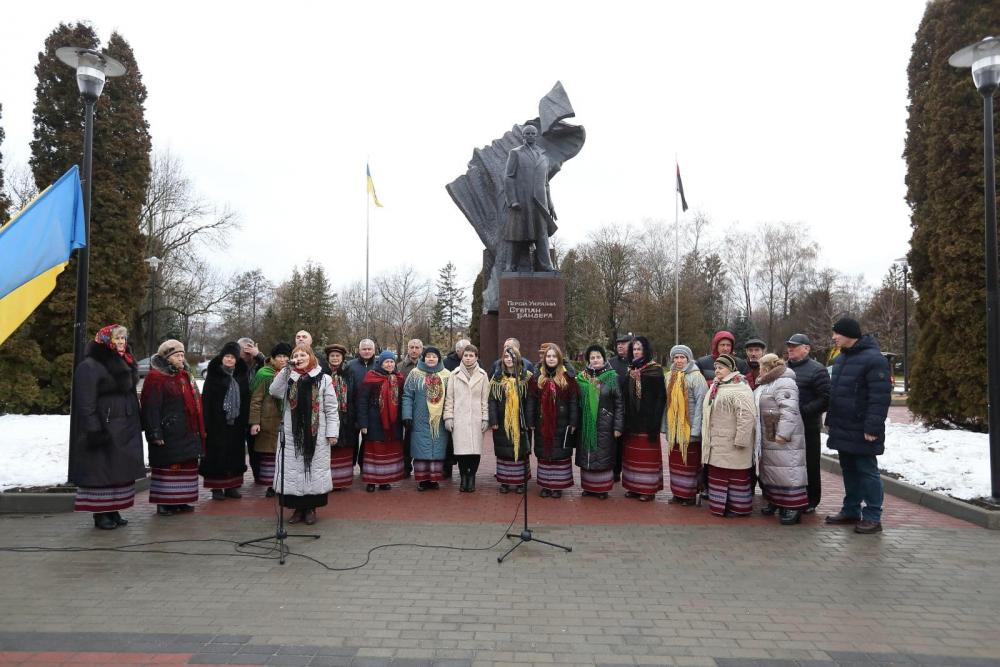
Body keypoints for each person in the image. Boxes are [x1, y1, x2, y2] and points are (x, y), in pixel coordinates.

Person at [69, 325, 145, 530]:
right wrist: (94, 430)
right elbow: (85, 403)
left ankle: (113, 509)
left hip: (124, 426)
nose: (121, 342)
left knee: (117, 471)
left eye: (123, 338)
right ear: (105, 340)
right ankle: (100, 513)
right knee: (101, 471)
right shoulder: (91, 366)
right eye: (117, 338)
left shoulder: (125, 361)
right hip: (105, 426)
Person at [824, 317, 891, 534]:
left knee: (867, 471)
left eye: (837, 333)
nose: (833, 337)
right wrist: (831, 422)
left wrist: (872, 428)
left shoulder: (874, 360)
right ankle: (851, 510)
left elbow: (879, 398)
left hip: (863, 429)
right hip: (843, 427)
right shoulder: (842, 359)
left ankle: (873, 516)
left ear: (849, 334)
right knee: (849, 470)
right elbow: (837, 394)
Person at [269, 344, 337, 525]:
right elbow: (274, 391)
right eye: (296, 355)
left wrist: (332, 432)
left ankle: (310, 510)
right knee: (293, 473)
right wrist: (286, 371)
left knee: (313, 472)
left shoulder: (324, 379)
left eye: (303, 355)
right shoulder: (288, 377)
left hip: (317, 435)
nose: (299, 357)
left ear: (311, 357)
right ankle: (297, 510)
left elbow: (331, 409)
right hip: (292, 435)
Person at [140, 339, 204, 516]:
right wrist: (154, 432)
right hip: (168, 431)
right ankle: (164, 503)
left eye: (182, 355)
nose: (181, 358)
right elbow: (150, 406)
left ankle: (181, 501)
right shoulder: (156, 378)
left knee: (186, 466)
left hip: (187, 430)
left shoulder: (184, 376)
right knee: (169, 466)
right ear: (167, 358)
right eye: (177, 355)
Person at [753, 353, 809, 525]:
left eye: (760, 368)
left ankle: (793, 506)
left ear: (767, 368)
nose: (758, 372)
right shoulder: (768, 383)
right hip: (769, 432)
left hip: (783, 435)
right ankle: (775, 500)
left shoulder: (784, 382)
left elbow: (789, 409)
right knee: (773, 468)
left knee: (788, 468)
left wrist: (783, 433)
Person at [700, 354, 757, 517]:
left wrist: (741, 440)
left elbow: (746, 415)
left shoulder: (740, 387)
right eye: (716, 367)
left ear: (731, 369)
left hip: (733, 443)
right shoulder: (716, 386)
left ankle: (738, 508)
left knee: (734, 477)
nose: (717, 370)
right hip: (717, 442)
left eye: (721, 367)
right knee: (719, 475)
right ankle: (720, 506)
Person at [785, 333, 830, 512]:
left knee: (809, 463)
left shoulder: (817, 370)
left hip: (808, 426)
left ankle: (811, 499)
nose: (790, 349)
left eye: (794, 346)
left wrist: (803, 411)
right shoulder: (783, 369)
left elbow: (826, 398)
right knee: (789, 464)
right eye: (789, 346)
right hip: (786, 426)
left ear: (806, 348)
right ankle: (789, 497)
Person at [200, 341, 250, 500]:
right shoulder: (213, 375)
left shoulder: (241, 375)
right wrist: (206, 424)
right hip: (217, 423)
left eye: (232, 357)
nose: (229, 360)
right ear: (222, 357)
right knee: (217, 454)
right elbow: (206, 400)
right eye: (227, 356)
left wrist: (246, 420)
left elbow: (246, 398)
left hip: (236, 423)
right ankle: (216, 488)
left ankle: (232, 486)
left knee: (234, 454)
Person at [503, 123, 556, 271]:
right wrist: (512, 200)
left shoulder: (544, 156)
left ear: (536, 136)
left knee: (542, 234)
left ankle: (546, 266)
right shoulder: (515, 153)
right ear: (523, 136)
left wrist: (550, 204)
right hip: (521, 200)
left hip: (540, 203)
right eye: (528, 133)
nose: (531, 136)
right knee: (517, 233)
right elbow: (508, 177)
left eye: (533, 133)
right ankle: (510, 265)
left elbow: (546, 183)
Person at [528, 343, 579, 498]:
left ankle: (557, 486)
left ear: (559, 358)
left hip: (561, 422)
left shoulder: (568, 378)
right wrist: (530, 420)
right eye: (548, 356)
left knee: (559, 453)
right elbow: (531, 400)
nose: (551, 359)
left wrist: (573, 421)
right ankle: (545, 484)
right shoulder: (537, 377)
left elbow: (573, 401)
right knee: (544, 453)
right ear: (544, 358)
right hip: (542, 422)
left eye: (554, 356)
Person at [575, 345, 623, 499]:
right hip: (586, 423)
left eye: (598, 357)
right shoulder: (582, 377)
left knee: (602, 454)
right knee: (588, 453)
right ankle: (588, 487)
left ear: (604, 358)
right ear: (588, 360)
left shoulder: (612, 377)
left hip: (605, 423)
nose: (595, 360)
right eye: (592, 358)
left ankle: (601, 489)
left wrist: (618, 426)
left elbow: (619, 403)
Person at [621, 336, 666, 502]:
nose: (636, 352)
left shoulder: (655, 370)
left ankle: (647, 489)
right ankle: (633, 487)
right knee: (633, 456)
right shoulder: (630, 370)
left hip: (648, 422)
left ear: (646, 351)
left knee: (647, 458)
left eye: (639, 349)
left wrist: (655, 421)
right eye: (634, 349)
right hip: (632, 421)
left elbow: (661, 397)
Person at [663, 344, 708, 506]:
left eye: (682, 357)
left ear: (688, 359)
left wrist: (696, 430)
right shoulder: (669, 376)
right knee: (676, 463)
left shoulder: (696, 377)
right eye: (676, 357)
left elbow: (701, 404)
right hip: (674, 428)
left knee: (689, 463)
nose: (679, 360)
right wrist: (665, 426)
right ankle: (677, 493)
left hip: (689, 428)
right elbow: (666, 402)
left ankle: (689, 495)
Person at [402, 346, 451, 491]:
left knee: (437, 448)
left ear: (439, 358)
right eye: (428, 356)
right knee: (420, 448)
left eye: (434, 356)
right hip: (419, 419)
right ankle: (423, 480)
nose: (431, 359)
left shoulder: (446, 375)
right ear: (423, 358)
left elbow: (451, 397)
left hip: (439, 420)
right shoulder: (415, 374)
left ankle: (434, 479)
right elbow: (407, 395)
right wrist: (407, 415)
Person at [444, 344, 490, 492]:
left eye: (471, 356)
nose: (468, 358)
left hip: (476, 419)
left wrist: (485, 418)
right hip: (459, 419)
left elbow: (485, 399)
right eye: (466, 355)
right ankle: (463, 477)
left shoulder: (483, 375)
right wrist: (448, 417)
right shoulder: (454, 374)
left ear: (476, 357)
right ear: (462, 357)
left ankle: (472, 477)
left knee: (475, 451)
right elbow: (449, 399)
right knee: (461, 452)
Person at [357, 350, 405, 491]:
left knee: (388, 450)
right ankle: (371, 481)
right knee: (374, 450)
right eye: (386, 362)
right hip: (374, 421)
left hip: (393, 422)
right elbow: (362, 401)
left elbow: (403, 400)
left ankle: (385, 480)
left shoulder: (399, 378)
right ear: (380, 363)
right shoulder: (371, 377)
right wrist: (363, 423)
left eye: (391, 362)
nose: (389, 364)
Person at [248, 342, 292, 497]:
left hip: (287, 420)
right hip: (269, 421)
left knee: (286, 454)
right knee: (270, 456)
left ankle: (283, 485)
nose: (283, 359)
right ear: (273, 358)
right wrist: (255, 422)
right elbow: (256, 400)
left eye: (286, 356)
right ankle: (271, 486)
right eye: (279, 356)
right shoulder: (264, 374)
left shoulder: (293, 374)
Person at [489, 347, 535, 494]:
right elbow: (492, 400)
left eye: (512, 356)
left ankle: (521, 482)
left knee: (521, 450)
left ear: (518, 358)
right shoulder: (497, 377)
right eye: (506, 357)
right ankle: (505, 481)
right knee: (504, 451)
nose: (509, 359)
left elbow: (530, 401)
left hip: (520, 421)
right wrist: (494, 419)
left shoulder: (526, 377)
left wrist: (528, 421)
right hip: (503, 421)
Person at [324, 344, 356, 490]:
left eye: (338, 356)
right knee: (327, 449)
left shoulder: (349, 374)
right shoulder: (322, 374)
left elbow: (355, 395)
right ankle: (327, 481)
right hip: (326, 417)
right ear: (328, 358)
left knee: (344, 448)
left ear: (342, 358)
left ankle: (341, 481)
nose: (335, 358)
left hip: (345, 417)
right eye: (332, 356)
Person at [346, 338, 379, 470]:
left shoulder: (378, 365)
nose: (366, 351)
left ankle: (364, 464)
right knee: (352, 439)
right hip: (352, 408)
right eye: (364, 349)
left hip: (371, 410)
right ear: (359, 350)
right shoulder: (350, 365)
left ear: (374, 350)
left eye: (369, 349)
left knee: (368, 439)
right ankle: (350, 464)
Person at [397, 338, 424, 477]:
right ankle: (406, 466)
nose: (414, 350)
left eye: (417, 347)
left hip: (422, 409)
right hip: (403, 407)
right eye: (411, 347)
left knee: (419, 438)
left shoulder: (425, 366)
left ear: (421, 349)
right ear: (407, 348)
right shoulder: (400, 366)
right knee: (406, 439)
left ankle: (421, 466)